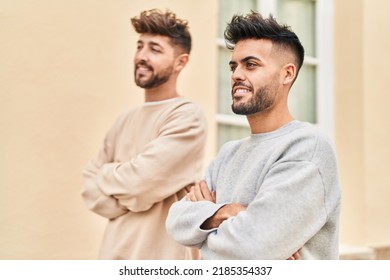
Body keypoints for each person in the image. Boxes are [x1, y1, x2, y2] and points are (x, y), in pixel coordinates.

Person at [166, 11, 341, 260]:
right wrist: (224, 212)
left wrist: (204, 224)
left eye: (251, 65)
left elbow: (251, 245)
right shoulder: (228, 154)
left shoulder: (307, 148)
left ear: (287, 74)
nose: (237, 74)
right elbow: (175, 221)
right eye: (233, 65)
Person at [81, 9, 207, 260]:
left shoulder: (186, 116)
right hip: (112, 257)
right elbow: (89, 189)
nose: (141, 56)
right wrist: (129, 189)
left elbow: (140, 184)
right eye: (140, 46)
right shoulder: (123, 121)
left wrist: (106, 174)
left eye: (155, 49)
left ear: (180, 62)